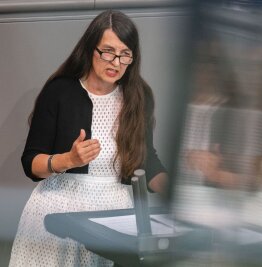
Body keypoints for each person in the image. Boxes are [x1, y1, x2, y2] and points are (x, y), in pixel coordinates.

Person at [9, 10, 167, 267]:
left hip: (116, 217)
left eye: (125, 54)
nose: (115, 62)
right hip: (58, 212)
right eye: (107, 51)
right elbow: (31, 163)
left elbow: (147, 162)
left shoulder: (140, 95)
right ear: (90, 49)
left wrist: (178, 193)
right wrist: (67, 159)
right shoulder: (60, 90)